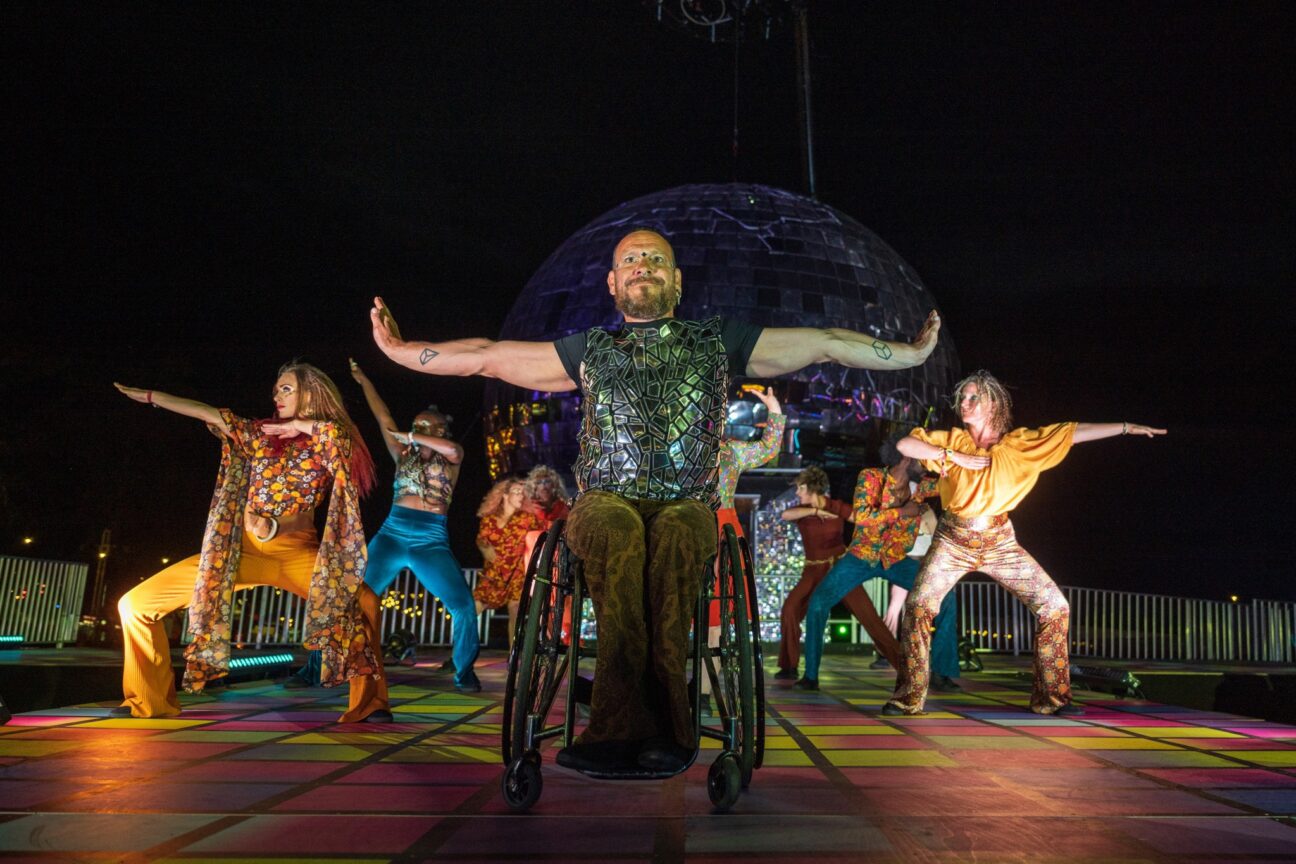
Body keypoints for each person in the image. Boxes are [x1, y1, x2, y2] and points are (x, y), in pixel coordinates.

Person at [369, 228, 940, 771]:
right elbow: (487, 355)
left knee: (670, 539)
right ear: (613, 284)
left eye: (656, 260)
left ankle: (666, 727)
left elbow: (825, 344)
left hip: (686, 504)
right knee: (618, 530)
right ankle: (624, 728)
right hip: (604, 499)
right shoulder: (588, 349)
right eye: (631, 262)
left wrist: (909, 356)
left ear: (678, 280)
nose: (644, 267)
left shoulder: (718, 343)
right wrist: (401, 352)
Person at [112, 363, 391, 722]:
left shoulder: (329, 438)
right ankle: (146, 701)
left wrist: (297, 426)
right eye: (276, 389)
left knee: (365, 602)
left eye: (286, 388)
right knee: (134, 604)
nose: (277, 395)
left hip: (296, 553)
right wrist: (152, 397)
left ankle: (369, 705)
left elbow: (337, 437)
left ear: (311, 393)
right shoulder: (257, 434)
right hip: (240, 552)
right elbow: (204, 411)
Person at [883, 370, 1165, 716]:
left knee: (1055, 607)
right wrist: (951, 457)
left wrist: (1124, 427)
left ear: (993, 404)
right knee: (919, 606)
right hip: (953, 539)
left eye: (974, 398)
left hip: (1000, 541)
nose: (965, 404)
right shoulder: (952, 441)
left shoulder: (1019, 445)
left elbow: (1072, 433)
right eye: (963, 398)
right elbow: (905, 444)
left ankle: (1053, 698)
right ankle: (908, 697)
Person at [349, 359, 482, 692]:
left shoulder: (451, 456)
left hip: (430, 540)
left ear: (439, 431)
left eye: (427, 425)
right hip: (392, 533)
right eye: (417, 422)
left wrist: (412, 433)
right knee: (356, 597)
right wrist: (364, 379)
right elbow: (383, 418)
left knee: (463, 605)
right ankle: (322, 665)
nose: (419, 427)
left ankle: (464, 671)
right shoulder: (403, 453)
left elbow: (452, 447)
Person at [798, 435, 951, 691]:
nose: (926, 464)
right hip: (861, 557)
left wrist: (950, 471)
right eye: (921, 458)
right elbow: (863, 517)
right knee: (817, 604)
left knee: (947, 596)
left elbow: (953, 487)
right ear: (906, 457)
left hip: (896, 561)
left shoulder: (922, 487)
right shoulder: (871, 477)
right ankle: (810, 676)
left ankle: (942, 673)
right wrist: (903, 512)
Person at [475, 477, 546, 645]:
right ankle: (459, 652)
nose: (521, 496)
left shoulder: (527, 519)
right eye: (516, 492)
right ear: (504, 495)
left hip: (517, 573)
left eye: (523, 493)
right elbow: (481, 540)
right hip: (494, 574)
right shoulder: (489, 519)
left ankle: (513, 656)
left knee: (515, 610)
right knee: (471, 610)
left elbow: (544, 534)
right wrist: (485, 549)